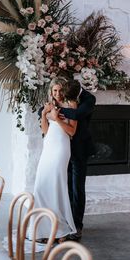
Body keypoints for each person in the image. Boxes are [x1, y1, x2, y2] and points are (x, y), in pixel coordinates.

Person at [29, 77, 78, 242]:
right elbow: (45, 131)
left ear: (64, 90)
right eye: (54, 91)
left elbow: (71, 132)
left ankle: (61, 230)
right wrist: (44, 113)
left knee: (57, 187)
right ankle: (43, 229)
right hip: (48, 147)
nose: (57, 93)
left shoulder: (72, 105)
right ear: (51, 91)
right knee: (41, 186)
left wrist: (56, 117)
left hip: (61, 148)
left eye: (59, 90)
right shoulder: (48, 105)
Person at [59, 79, 96, 241]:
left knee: (77, 189)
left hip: (81, 149)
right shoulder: (66, 92)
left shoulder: (89, 99)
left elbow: (77, 114)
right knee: (66, 186)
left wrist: (56, 112)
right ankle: (67, 222)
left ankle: (78, 226)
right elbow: (42, 110)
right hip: (64, 148)